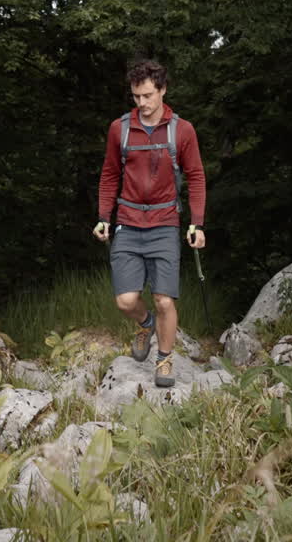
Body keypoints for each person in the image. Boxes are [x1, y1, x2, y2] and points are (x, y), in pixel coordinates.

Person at [92, 61, 206, 388]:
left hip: (165, 223)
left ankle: (165, 360)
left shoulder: (182, 130)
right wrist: (103, 216)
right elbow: (110, 173)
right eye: (135, 96)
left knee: (165, 299)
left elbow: (196, 176)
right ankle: (145, 325)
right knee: (126, 300)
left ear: (163, 90)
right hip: (128, 221)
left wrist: (197, 223)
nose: (141, 103)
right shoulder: (121, 129)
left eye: (147, 95)